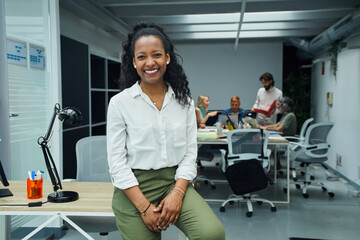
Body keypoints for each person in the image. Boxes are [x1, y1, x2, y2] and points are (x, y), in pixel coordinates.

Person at [107, 21, 225, 240]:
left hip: (174, 181)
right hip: (134, 187)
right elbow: (116, 163)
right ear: (134, 62)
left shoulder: (185, 103)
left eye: (157, 55)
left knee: (212, 234)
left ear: (167, 58)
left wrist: (177, 194)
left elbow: (190, 155)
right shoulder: (119, 103)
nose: (150, 62)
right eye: (141, 56)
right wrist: (144, 207)